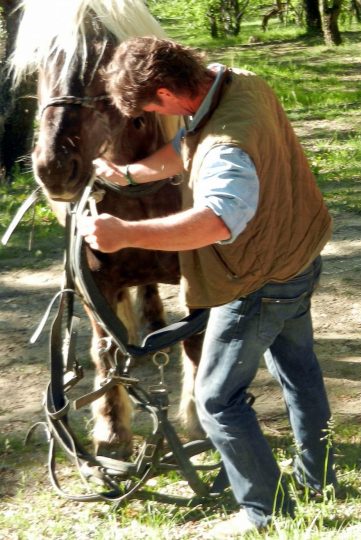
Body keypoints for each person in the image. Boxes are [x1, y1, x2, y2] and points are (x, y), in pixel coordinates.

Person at [78, 37, 337, 535]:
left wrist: (124, 233)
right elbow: (184, 145)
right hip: (299, 254)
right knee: (299, 370)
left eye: (150, 108)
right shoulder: (238, 84)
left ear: (166, 93)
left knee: (216, 399)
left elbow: (218, 220)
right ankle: (318, 476)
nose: (154, 116)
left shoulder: (227, 147)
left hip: (257, 280)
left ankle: (265, 511)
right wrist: (130, 175)